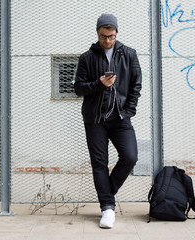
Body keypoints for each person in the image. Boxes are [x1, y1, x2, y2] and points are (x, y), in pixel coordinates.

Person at [74, 13, 142, 229]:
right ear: (97, 33)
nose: (107, 40)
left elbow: (136, 84)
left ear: (116, 33)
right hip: (95, 119)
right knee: (99, 164)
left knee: (130, 157)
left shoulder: (129, 54)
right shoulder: (87, 57)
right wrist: (100, 84)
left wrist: (129, 110)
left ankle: (107, 194)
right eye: (104, 36)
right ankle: (107, 208)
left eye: (111, 36)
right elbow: (78, 89)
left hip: (121, 117)